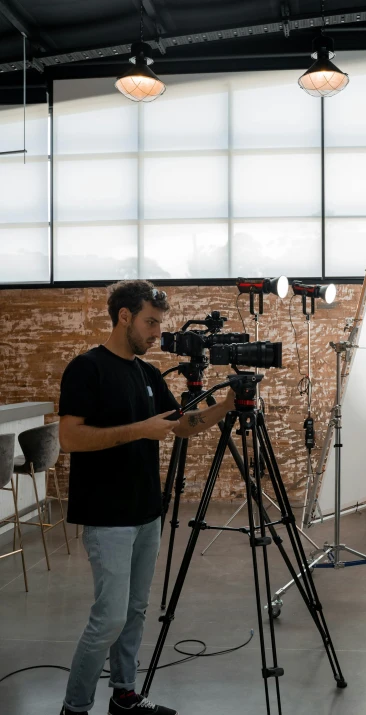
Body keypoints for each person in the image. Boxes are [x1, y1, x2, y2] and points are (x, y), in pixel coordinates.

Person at [58, 280, 235, 715]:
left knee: (135, 612)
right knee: (109, 619)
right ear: (124, 317)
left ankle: (124, 696)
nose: (158, 333)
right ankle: (74, 708)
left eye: (159, 323)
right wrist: (140, 429)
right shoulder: (87, 369)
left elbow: (180, 424)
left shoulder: (147, 372)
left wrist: (228, 404)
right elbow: (69, 438)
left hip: (145, 512)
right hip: (107, 515)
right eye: (150, 322)